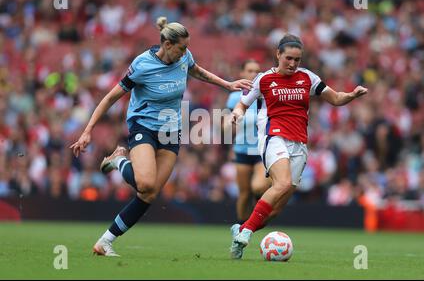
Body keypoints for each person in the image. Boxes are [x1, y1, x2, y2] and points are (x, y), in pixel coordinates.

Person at [70, 16, 252, 257]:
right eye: (182, 47)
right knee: (144, 183)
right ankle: (120, 161)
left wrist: (228, 85)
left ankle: (104, 242)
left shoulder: (184, 57)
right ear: (167, 45)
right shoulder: (142, 65)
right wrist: (87, 131)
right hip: (142, 125)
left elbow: (197, 71)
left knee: (150, 193)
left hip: (170, 129)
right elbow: (110, 98)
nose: (186, 52)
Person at [228, 34, 368, 259]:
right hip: (274, 137)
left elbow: (335, 98)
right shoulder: (264, 80)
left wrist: (352, 95)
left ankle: (243, 230)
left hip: (299, 143)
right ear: (278, 55)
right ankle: (245, 232)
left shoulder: (308, 78)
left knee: (275, 210)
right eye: (289, 58)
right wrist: (236, 114)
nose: (293, 64)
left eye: (297, 59)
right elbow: (242, 104)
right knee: (281, 183)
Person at [224, 59, 271, 226]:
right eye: (250, 71)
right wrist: (228, 123)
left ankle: (259, 215)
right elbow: (226, 123)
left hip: (260, 150)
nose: (253, 74)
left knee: (257, 187)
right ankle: (240, 228)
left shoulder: (265, 95)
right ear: (242, 74)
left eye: (257, 71)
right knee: (244, 194)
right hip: (242, 150)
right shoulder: (235, 97)